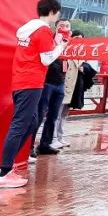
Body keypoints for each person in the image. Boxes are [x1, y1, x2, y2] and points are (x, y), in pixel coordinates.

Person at [0, 0, 65, 189]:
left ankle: (3, 168)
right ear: (53, 12)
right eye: (57, 13)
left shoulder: (29, 29)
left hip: (22, 80)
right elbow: (46, 59)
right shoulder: (43, 30)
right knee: (19, 124)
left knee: (32, 122)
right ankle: (4, 172)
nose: (58, 16)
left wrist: (54, 43)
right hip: (31, 81)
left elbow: (37, 51)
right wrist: (61, 47)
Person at [36, 21, 71, 156]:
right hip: (47, 82)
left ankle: (45, 144)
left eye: (67, 26)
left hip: (60, 83)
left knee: (53, 116)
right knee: (40, 113)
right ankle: (29, 147)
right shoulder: (50, 40)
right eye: (61, 25)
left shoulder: (70, 43)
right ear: (56, 27)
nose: (64, 28)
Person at [54, 30, 84, 147]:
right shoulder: (64, 51)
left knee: (64, 114)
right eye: (76, 38)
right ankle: (54, 138)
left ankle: (60, 137)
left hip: (72, 89)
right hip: (62, 86)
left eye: (81, 39)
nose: (78, 41)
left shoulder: (81, 55)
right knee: (56, 114)